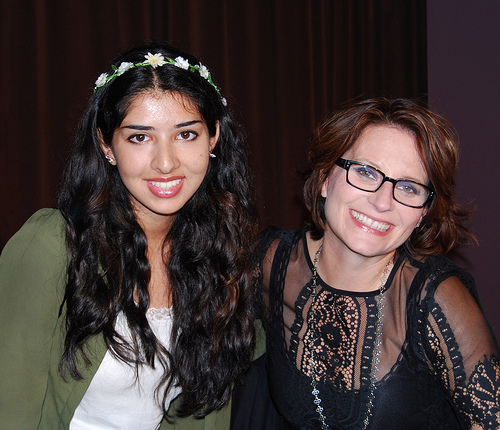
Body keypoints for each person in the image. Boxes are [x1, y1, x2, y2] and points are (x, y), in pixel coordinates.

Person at [0, 42, 259, 429]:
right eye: (140, 137)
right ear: (107, 145)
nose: (166, 162)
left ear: (213, 138)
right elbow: (10, 408)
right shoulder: (52, 246)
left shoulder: (218, 254)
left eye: (186, 134)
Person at [258, 97, 500, 429]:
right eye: (365, 172)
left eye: (409, 188)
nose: (382, 202)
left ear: (422, 213)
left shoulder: (436, 299)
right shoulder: (273, 263)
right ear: (325, 178)